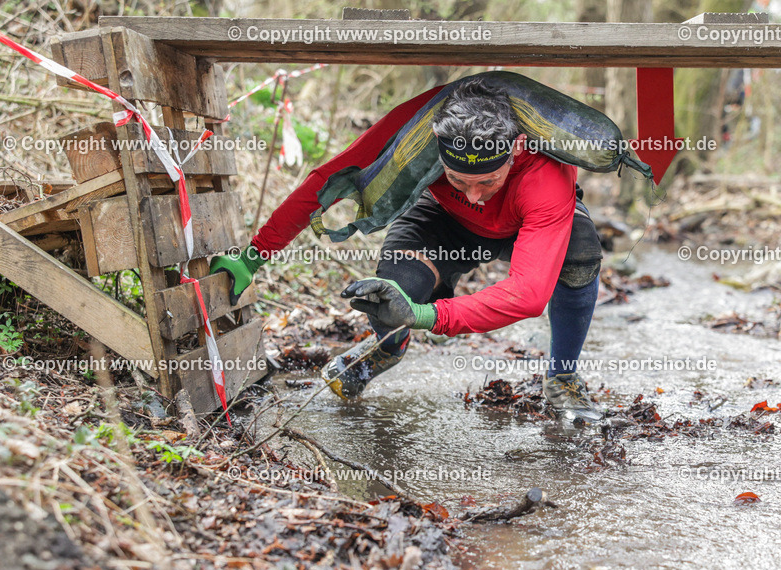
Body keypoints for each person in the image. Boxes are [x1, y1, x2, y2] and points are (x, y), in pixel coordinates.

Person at [212, 77, 605, 422]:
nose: (475, 194)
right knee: (391, 289)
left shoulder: (545, 176)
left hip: (521, 226)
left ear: (517, 147)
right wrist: (255, 254)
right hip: (442, 220)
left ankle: (564, 375)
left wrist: (426, 315)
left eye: (487, 181)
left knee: (581, 250)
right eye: (458, 178)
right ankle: (387, 346)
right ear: (437, 144)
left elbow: (529, 295)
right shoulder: (415, 128)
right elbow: (325, 180)